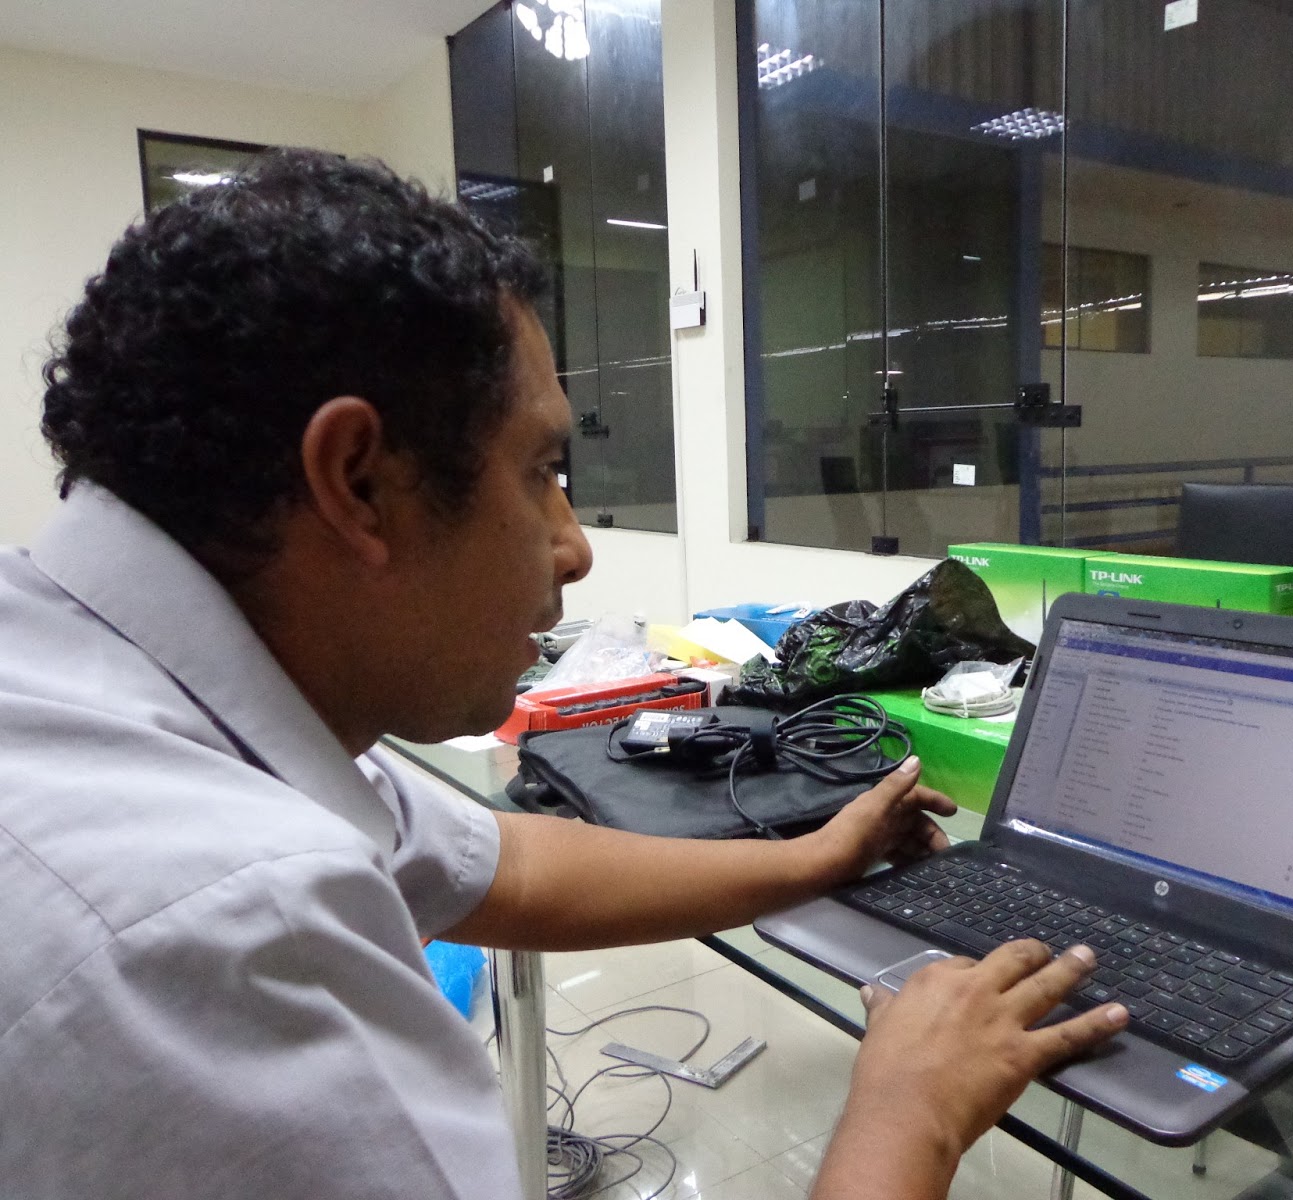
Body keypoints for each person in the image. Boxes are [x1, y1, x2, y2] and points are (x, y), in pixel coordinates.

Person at [0, 150, 1127, 1200]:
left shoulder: (99, 674)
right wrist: (912, 1108)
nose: (574, 546)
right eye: (541, 470)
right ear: (358, 481)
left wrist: (814, 857)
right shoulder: (221, 931)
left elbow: (508, 865)